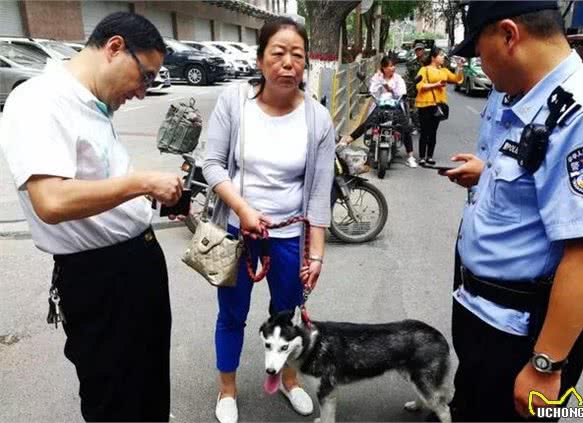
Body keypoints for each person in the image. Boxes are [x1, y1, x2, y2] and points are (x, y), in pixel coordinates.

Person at [440, 1, 583, 421]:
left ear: (509, 35)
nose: (479, 66)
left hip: (521, 334)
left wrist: (546, 365)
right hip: (480, 313)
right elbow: (530, 172)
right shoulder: (518, 90)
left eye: (479, 51)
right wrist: (486, 172)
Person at [0, 12, 182, 422]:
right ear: (115, 48)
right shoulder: (40, 100)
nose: (142, 92)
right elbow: (51, 200)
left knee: (150, 387)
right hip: (101, 279)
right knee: (114, 399)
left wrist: (151, 198)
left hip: (137, 266)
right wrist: (142, 184)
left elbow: (99, 188)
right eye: (146, 76)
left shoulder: (94, 105)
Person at [202, 17, 335, 423]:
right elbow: (211, 164)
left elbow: (317, 194)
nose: (288, 63)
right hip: (236, 232)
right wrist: (242, 210)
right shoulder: (234, 103)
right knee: (232, 314)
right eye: (278, 53)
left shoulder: (318, 120)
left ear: (305, 64)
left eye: (297, 55)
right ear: (261, 60)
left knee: (287, 314)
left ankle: (290, 381)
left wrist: (316, 256)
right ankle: (227, 389)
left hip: (289, 236)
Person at [340, 57, 418, 168]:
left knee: (405, 127)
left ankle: (410, 156)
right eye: (390, 66)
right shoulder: (377, 77)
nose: (393, 68)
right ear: (384, 68)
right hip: (380, 106)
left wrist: (390, 89)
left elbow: (401, 93)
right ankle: (348, 140)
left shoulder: (398, 78)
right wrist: (380, 85)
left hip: (395, 106)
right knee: (368, 123)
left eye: (393, 66)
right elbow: (372, 91)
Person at [415, 47, 463, 165]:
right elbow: (419, 86)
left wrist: (460, 67)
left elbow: (457, 79)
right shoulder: (424, 70)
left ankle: (429, 156)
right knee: (424, 131)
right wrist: (435, 85)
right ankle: (422, 157)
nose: (442, 58)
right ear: (433, 57)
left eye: (443, 55)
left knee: (433, 132)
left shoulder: (444, 71)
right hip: (425, 104)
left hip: (438, 105)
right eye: (440, 55)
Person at [405, 42, 426, 124]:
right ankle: (416, 125)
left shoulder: (428, 63)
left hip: (426, 89)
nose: (418, 52)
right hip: (414, 90)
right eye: (417, 50)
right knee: (413, 110)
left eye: (420, 50)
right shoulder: (411, 63)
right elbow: (407, 76)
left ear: (423, 51)